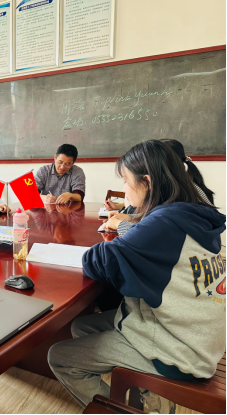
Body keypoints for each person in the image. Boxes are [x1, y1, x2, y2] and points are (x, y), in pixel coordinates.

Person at [48, 140, 226, 411]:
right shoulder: (192, 211)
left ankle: (123, 407)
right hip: (200, 335)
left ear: (147, 182)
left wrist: (126, 229)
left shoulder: (164, 223)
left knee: (59, 357)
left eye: (126, 182)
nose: (125, 191)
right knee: (81, 327)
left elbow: (97, 260)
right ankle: (137, 395)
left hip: (180, 352)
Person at [104, 138, 215, 235]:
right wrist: (131, 217)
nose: (124, 189)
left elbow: (149, 234)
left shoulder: (175, 205)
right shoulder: (177, 191)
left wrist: (120, 224)